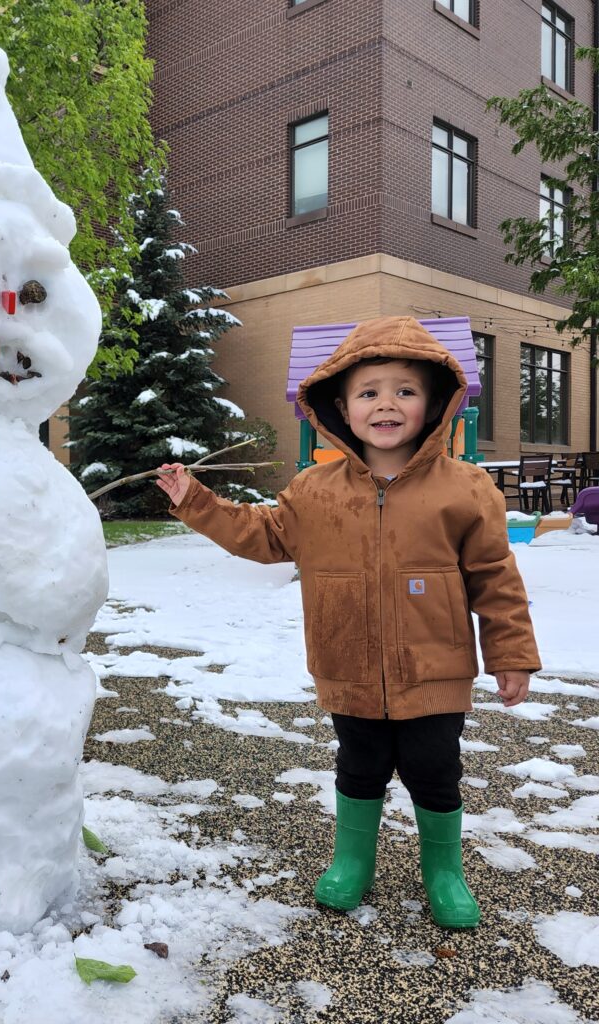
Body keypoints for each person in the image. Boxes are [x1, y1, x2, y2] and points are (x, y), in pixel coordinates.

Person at [156, 316, 540, 929]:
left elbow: (494, 577)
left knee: (433, 769)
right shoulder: (314, 490)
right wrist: (196, 504)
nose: (386, 403)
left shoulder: (465, 489)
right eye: (369, 392)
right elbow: (263, 536)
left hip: (434, 669)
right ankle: (352, 859)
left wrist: (511, 654)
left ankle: (444, 870)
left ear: (435, 403)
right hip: (348, 662)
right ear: (340, 407)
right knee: (357, 765)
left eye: (405, 391)